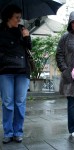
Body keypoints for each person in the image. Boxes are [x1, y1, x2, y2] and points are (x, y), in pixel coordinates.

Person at [0, 4, 32, 143]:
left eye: (20, 17)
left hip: (22, 71)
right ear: (8, 17)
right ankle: (8, 132)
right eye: (16, 17)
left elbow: (29, 48)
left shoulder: (22, 30)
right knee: (7, 103)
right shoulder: (0, 31)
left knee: (20, 103)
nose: (19, 20)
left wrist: (26, 37)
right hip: (5, 71)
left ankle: (18, 132)